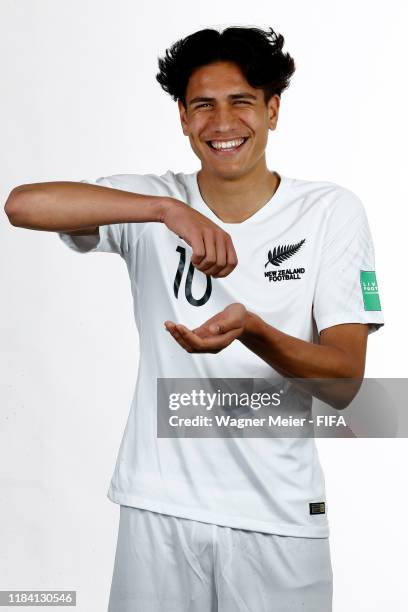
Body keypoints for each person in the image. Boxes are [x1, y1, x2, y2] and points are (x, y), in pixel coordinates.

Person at [4, 26, 384, 612]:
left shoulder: (330, 211)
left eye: (242, 102)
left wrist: (253, 329)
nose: (222, 122)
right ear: (182, 117)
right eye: (203, 105)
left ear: (273, 110)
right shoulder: (152, 200)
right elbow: (22, 205)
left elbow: (344, 381)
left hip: (278, 514)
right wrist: (164, 210)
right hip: (159, 508)